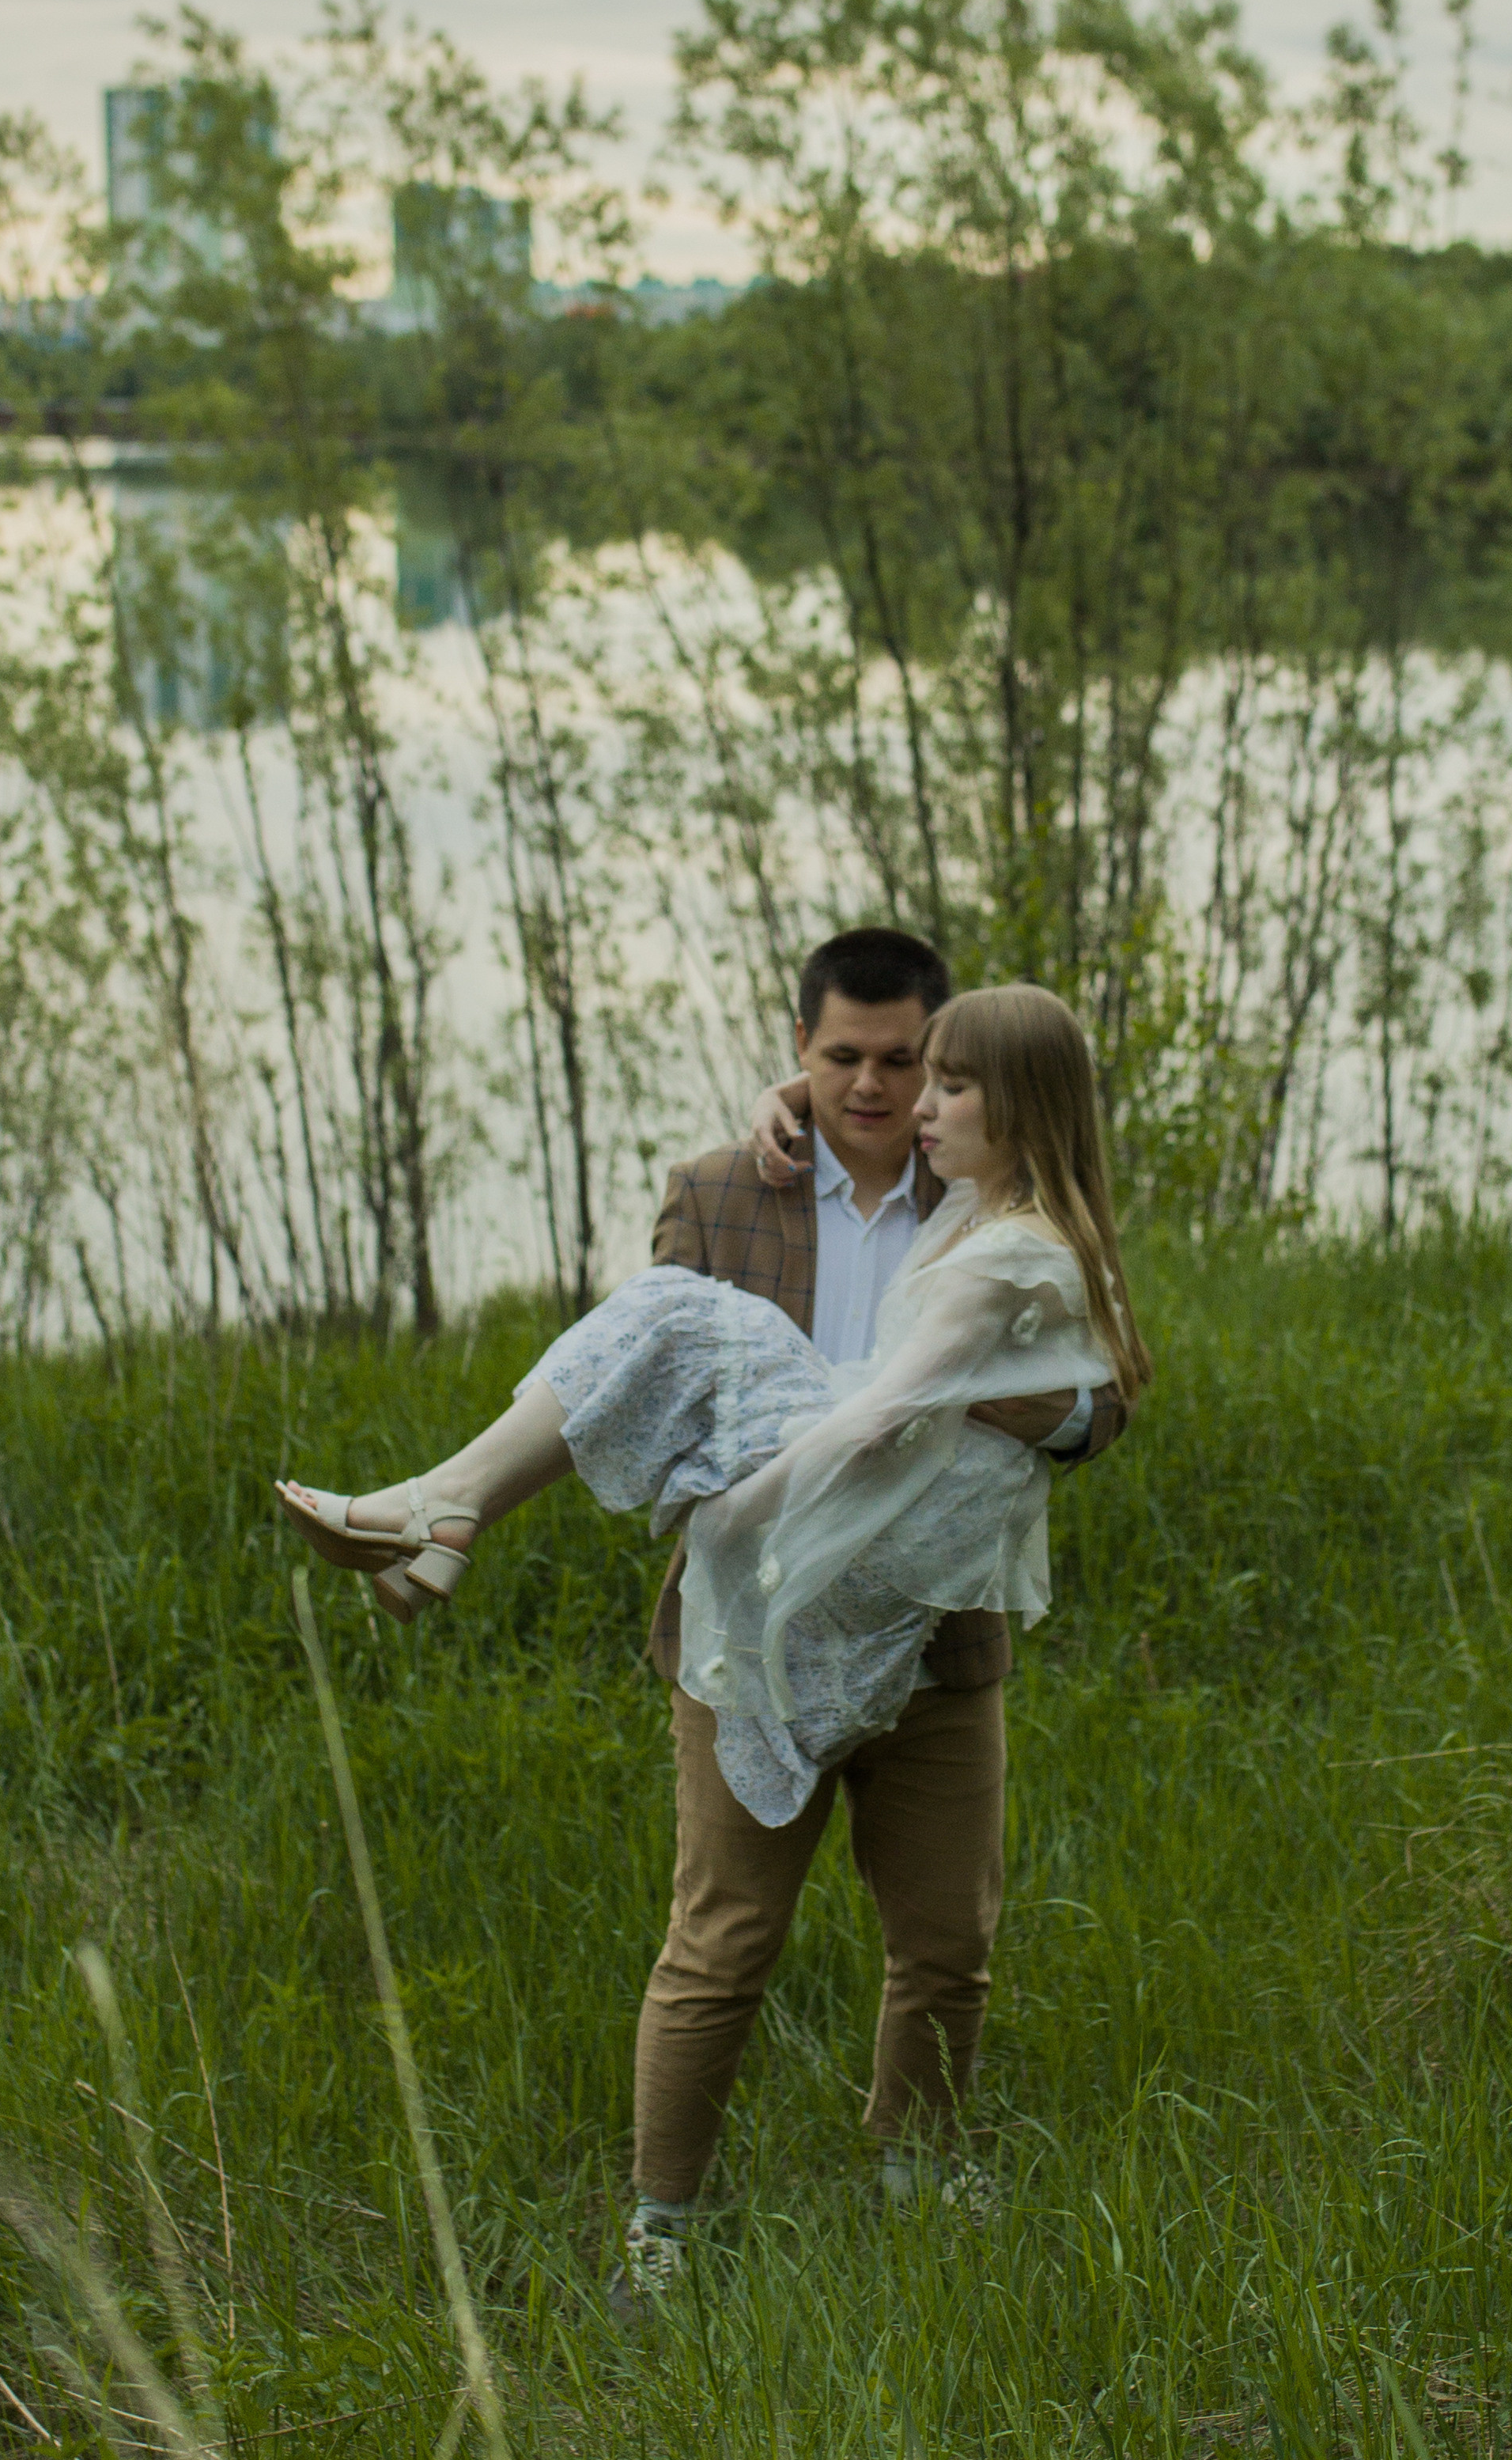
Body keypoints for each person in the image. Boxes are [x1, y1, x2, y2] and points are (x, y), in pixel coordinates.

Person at [281, 967, 1149, 2306]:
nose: (887, 1090)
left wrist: (1016, 1411)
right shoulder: (727, 1183)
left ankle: (916, 2177)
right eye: (846, 1059)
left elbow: (1097, 1392)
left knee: (943, 1936)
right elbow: (634, 1385)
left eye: (918, 1065)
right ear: (802, 1053)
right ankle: (663, 2228)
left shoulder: (977, 1195)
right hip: (757, 1608)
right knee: (722, 1937)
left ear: (956, 1074)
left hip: (921, 1625)